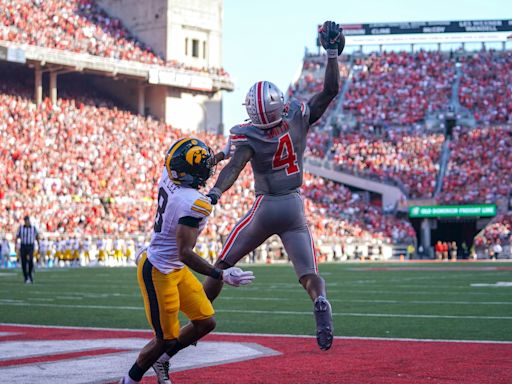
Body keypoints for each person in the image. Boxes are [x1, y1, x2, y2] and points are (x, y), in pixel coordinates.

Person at [202, 20, 344, 351]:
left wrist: (214, 194)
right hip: (294, 206)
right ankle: (320, 300)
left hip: (266, 207)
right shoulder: (295, 114)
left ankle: (199, 314)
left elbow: (234, 167)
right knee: (309, 274)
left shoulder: (247, 134)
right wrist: (333, 54)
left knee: (221, 265)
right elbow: (330, 92)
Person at [119, 138, 254, 384]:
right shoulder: (194, 203)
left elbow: (188, 169)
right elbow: (185, 252)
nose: (207, 169)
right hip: (159, 271)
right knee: (166, 338)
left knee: (205, 321)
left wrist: (220, 156)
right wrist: (221, 275)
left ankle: (162, 360)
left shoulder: (169, 175)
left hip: (174, 267)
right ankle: (130, 380)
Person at [15, 215, 39, 283]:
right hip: (23, 245)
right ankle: (26, 277)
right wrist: (16, 245)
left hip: (30, 245)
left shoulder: (33, 228)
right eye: (26, 221)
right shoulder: (21, 228)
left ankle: (30, 274)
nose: (27, 222)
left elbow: (37, 236)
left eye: (28, 220)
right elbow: (17, 236)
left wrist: (38, 245)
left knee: (31, 259)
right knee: (23, 261)